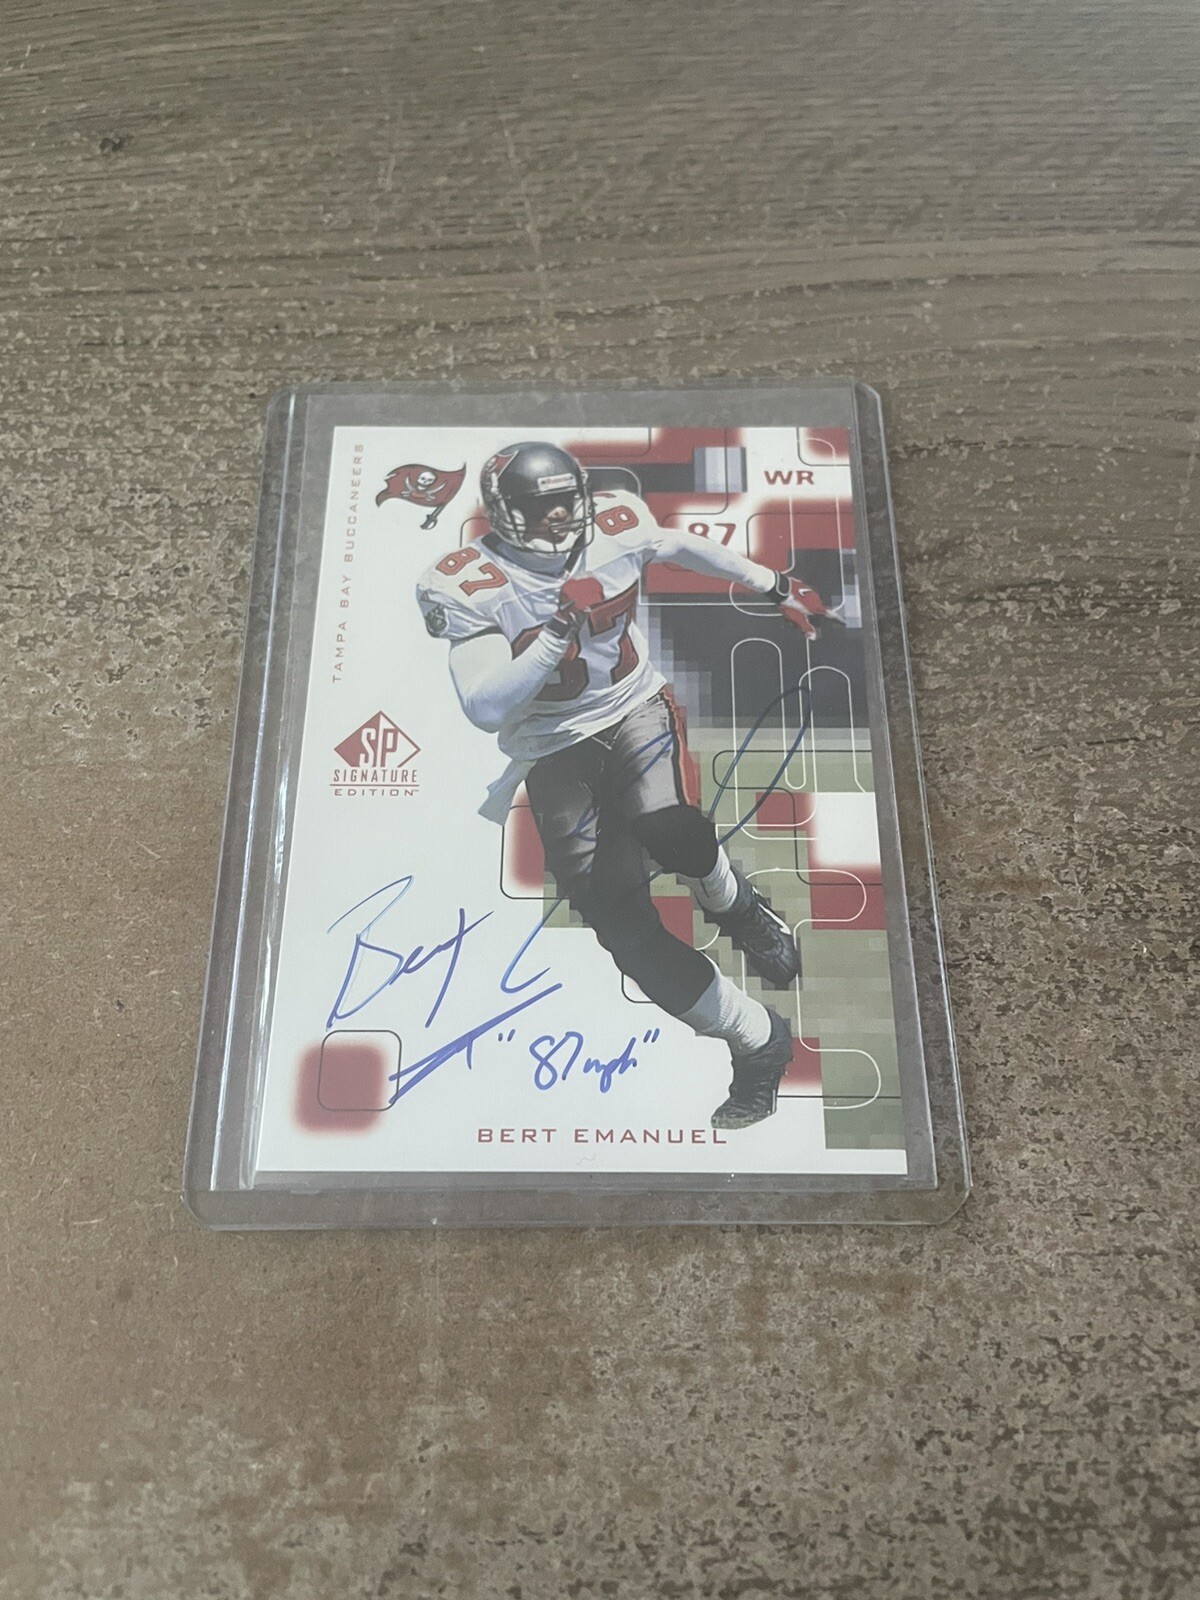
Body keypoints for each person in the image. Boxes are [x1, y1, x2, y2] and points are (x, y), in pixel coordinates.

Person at [416, 442, 833, 1129]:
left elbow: (679, 545)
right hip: (551, 749)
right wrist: (557, 628)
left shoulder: (616, 523)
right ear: (502, 512)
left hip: (633, 706)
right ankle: (759, 1040)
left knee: (666, 823)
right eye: (540, 505)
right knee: (623, 930)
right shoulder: (466, 581)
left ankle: (732, 903)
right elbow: (486, 706)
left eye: (565, 500)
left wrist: (775, 585)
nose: (558, 516)